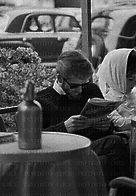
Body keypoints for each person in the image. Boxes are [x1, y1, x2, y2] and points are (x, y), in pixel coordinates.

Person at [35, 50, 131, 186]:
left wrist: (105, 125)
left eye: (83, 84)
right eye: (74, 86)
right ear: (60, 78)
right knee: (115, 143)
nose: (80, 90)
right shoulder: (41, 100)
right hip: (63, 150)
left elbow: (107, 131)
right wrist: (65, 127)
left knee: (120, 141)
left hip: (91, 145)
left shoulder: (91, 90)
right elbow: (36, 139)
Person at [96, 48, 136, 131]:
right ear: (116, 77)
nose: (135, 83)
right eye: (130, 79)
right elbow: (120, 124)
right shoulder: (107, 101)